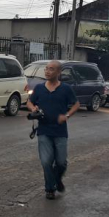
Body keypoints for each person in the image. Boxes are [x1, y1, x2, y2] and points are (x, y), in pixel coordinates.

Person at [27, 60, 81, 200]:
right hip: (44, 130)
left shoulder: (66, 89)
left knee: (61, 162)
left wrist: (67, 115)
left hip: (60, 132)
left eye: (51, 69)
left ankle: (57, 180)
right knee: (46, 161)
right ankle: (50, 189)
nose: (47, 71)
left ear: (58, 72)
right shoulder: (39, 88)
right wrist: (33, 108)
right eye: (46, 69)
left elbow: (76, 104)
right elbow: (29, 101)